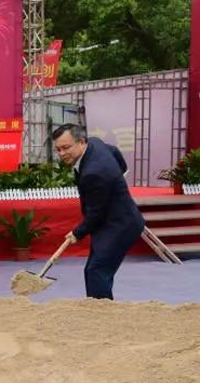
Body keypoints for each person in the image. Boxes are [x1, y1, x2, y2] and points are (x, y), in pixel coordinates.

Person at [52, 124, 145, 300]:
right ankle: (100, 306)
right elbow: (115, 151)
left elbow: (96, 213)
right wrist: (119, 174)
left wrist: (77, 233)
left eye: (66, 147)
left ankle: (101, 311)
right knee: (96, 269)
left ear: (81, 142)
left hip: (120, 224)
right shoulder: (94, 143)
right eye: (58, 149)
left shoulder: (94, 172)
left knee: (96, 270)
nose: (62, 153)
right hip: (108, 220)